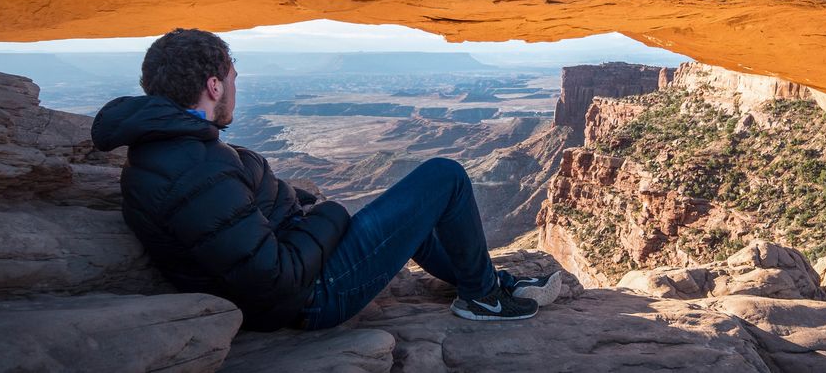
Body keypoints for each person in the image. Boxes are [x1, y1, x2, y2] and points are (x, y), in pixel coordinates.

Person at [91, 28, 562, 331]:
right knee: (446, 176)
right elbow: (274, 279)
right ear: (214, 85)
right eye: (233, 77)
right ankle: (484, 298)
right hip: (311, 298)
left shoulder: (170, 149)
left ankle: (488, 282)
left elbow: (234, 222)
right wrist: (331, 215)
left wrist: (298, 205)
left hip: (301, 268)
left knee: (408, 211)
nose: (236, 86)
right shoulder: (193, 166)